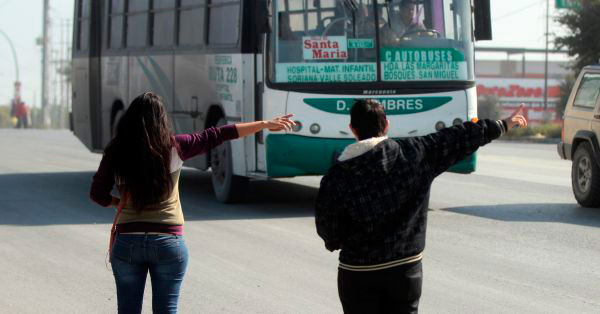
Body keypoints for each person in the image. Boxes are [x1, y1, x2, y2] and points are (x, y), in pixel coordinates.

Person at [315, 99, 527, 314]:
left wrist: (339, 242)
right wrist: (502, 125)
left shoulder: (338, 177)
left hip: (358, 272)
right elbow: (458, 137)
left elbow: (329, 230)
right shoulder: (415, 153)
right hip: (406, 269)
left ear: (353, 129)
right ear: (386, 124)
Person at [90, 92, 295, 313]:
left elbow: (97, 194)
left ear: (128, 120)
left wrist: (117, 202)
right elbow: (219, 134)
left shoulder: (116, 153)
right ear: (161, 120)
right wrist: (264, 124)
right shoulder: (176, 147)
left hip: (127, 242)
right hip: (168, 242)